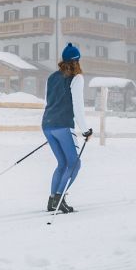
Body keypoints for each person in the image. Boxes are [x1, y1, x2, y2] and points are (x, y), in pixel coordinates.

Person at [42, 42, 93, 213]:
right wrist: (86, 130)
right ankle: (59, 199)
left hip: (48, 125)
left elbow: (50, 101)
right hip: (63, 125)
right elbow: (78, 107)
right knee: (74, 164)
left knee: (62, 163)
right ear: (77, 61)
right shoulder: (76, 78)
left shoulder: (51, 78)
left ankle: (52, 201)